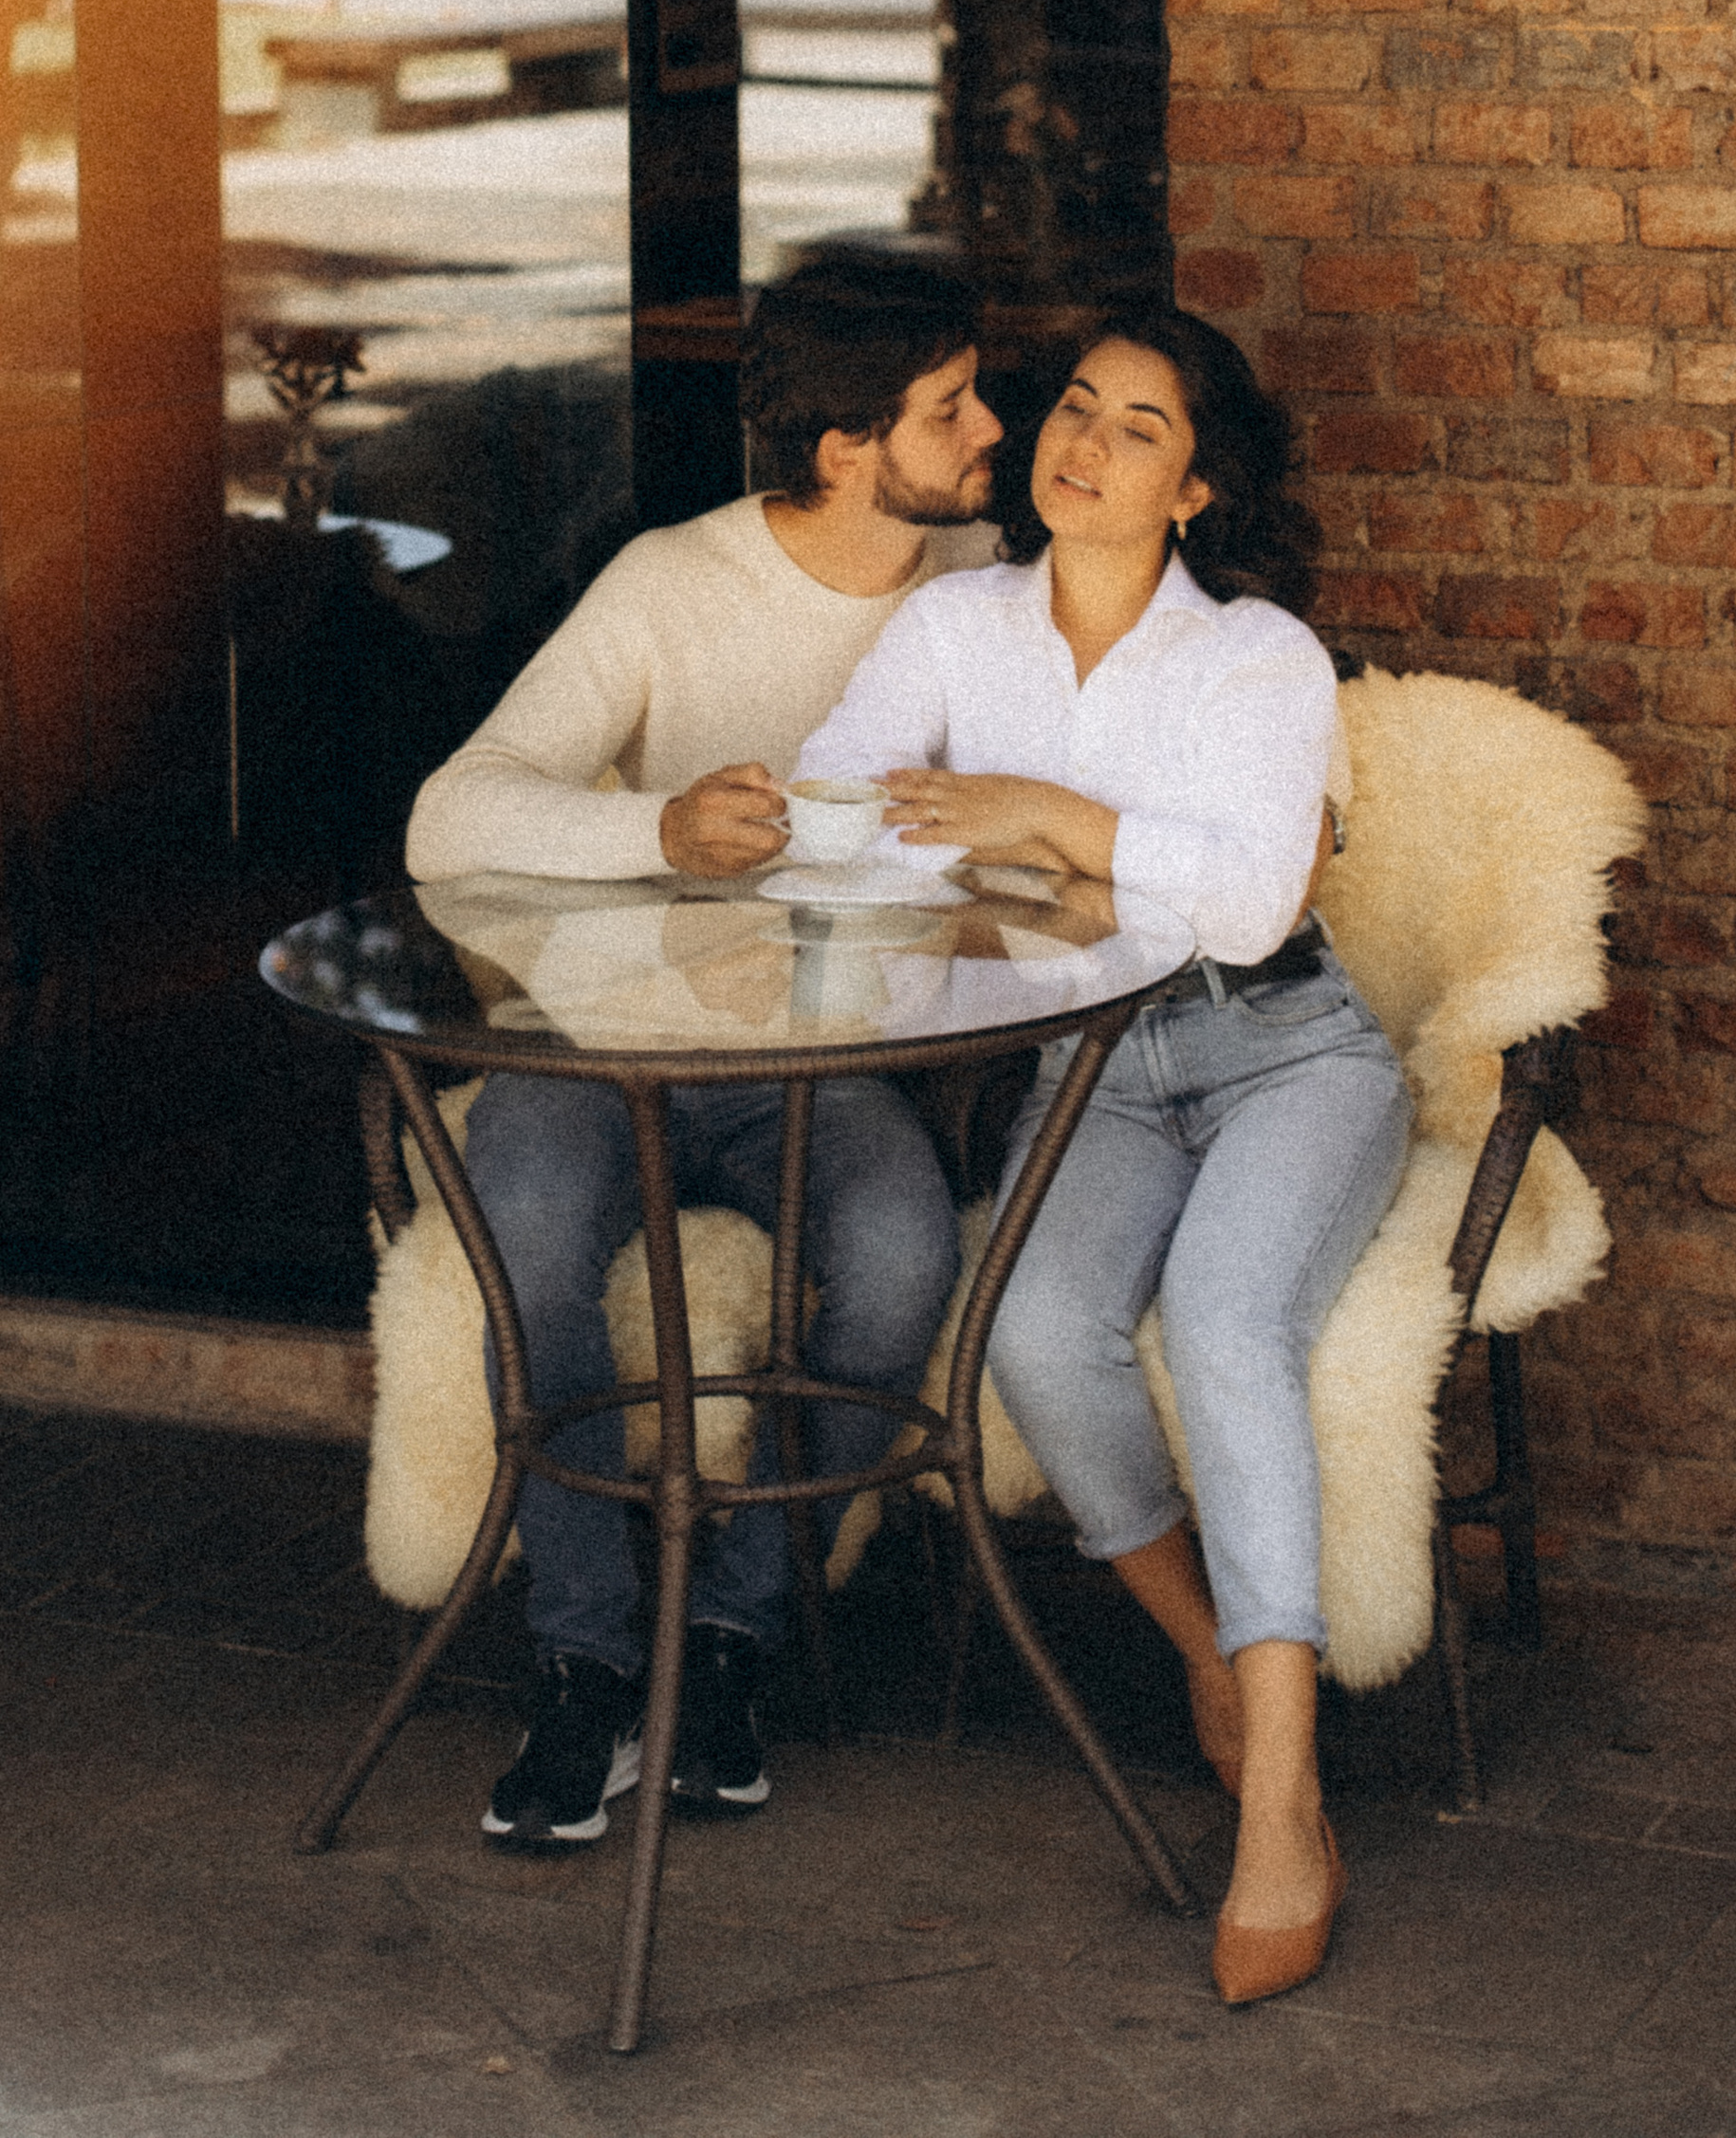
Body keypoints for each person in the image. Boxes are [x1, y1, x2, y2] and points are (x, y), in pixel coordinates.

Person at [792, 304, 1411, 2007]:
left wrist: (1043, 819)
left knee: (1224, 1319)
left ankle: (1281, 1805)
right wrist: (1068, 864)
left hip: (1289, 1051)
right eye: (1075, 407)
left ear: (1196, 489)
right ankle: (1206, 1645)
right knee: (1029, 1325)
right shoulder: (956, 625)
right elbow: (839, 812)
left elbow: (1256, 905)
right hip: (1095, 1070)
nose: (1085, 445)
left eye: (1142, 429)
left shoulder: (1257, 656)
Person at [403, 247, 1000, 1852]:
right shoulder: (671, 581)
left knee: (901, 1253)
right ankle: (587, 1659)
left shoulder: (986, 582)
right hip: (602, 1047)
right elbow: (451, 814)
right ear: (848, 449)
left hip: (818, 1067)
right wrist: (655, 828)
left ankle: (737, 1624)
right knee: (527, 1237)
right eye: (953, 406)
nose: (992, 429)